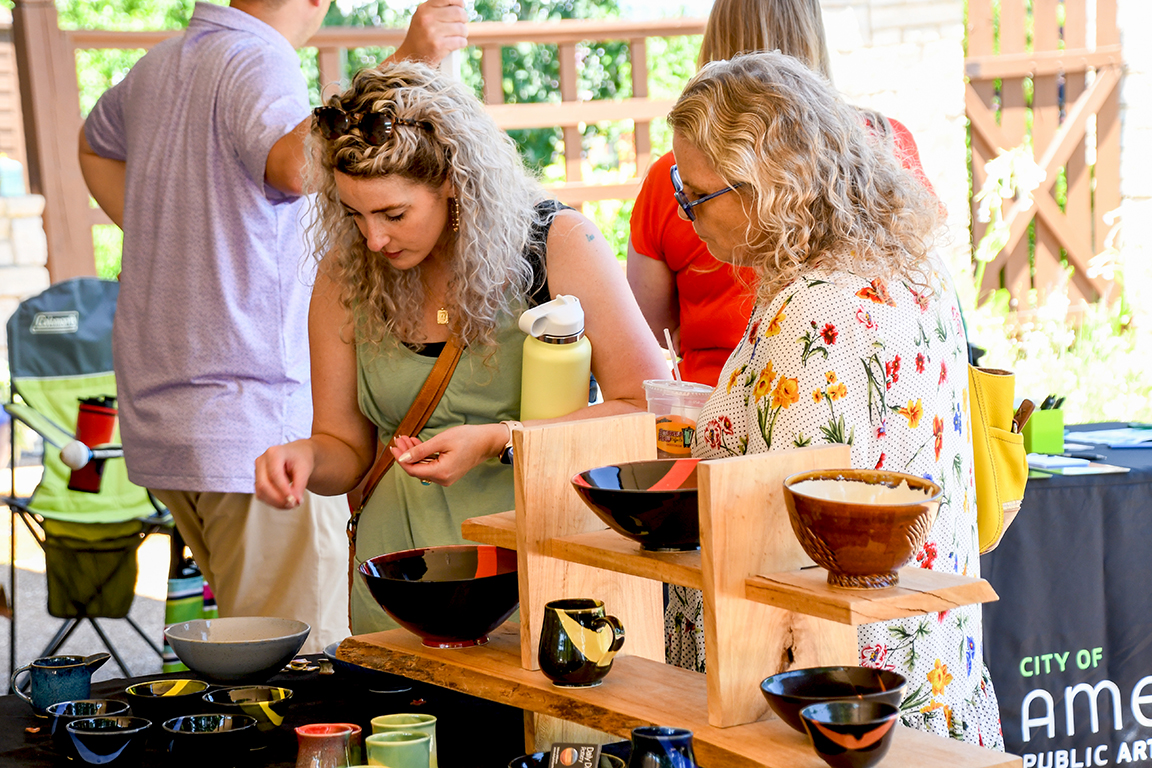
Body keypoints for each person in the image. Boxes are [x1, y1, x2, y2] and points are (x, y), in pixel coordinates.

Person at [77, 0, 468, 653]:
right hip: (256, 428)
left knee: (242, 649)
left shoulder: (158, 64)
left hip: (168, 420)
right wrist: (409, 63)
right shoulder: (255, 57)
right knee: (294, 671)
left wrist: (166, 241)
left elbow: (94, 145)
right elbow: (295, 165)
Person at [253, 62, 668, 634]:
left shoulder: (558, 244)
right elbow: (345, 447)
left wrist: (502, 440)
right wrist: (303, 459)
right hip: (399, 586)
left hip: (534, 586)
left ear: (453, 179)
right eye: (354, 215)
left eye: (394, 214)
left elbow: (644, 407)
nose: (374, 238)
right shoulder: (345, 273)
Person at [673, 52, 1004, 749]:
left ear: (768, 186)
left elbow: (792, 526)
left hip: (834, 698)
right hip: (928, 662)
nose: (686, 214)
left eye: (697, 194)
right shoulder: (913, 266)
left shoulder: (814, 306)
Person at [627, 0, 932, 389]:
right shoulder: (887, 144)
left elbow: (647, 328)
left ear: (772, 193)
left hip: (719, 403)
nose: (688, 209)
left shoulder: (801, 309)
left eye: (699, 197)